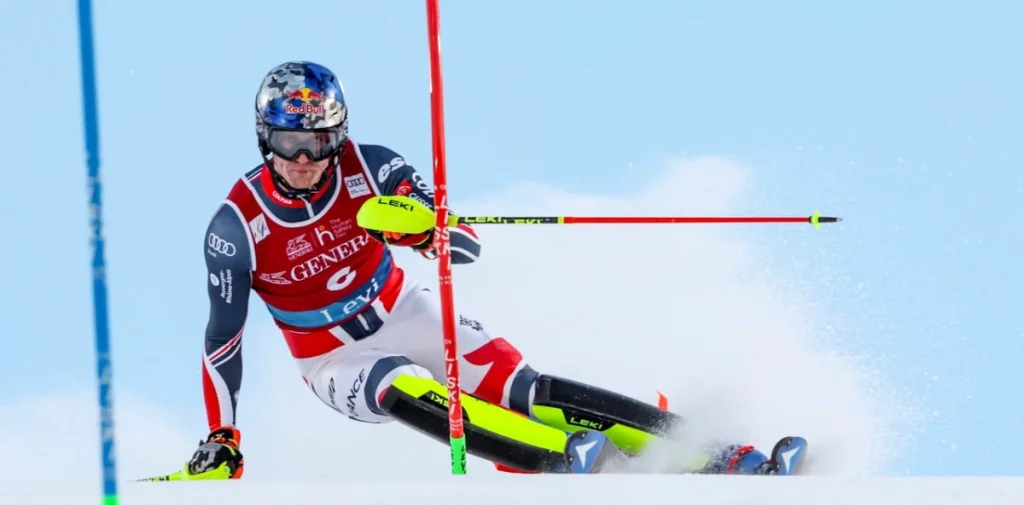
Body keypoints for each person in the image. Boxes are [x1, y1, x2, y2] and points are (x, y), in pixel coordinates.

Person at [183, 60, 776, 479]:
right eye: (287, 142)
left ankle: (715, 452)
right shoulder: (236, 226)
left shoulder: (373, 166)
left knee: (521, 387)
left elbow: (463, 243)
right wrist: (222, 435)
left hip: (402, 309)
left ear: (338, 137)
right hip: (330, 359)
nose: (303, 160)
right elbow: (222, 339)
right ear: (264, 139)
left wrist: (424, 231)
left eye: (317, 142)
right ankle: (564, 459)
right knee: (398, 382)